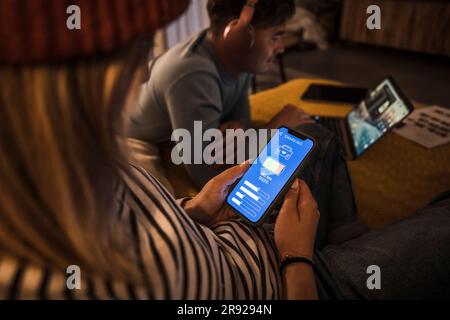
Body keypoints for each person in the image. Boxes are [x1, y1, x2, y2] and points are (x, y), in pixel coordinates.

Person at [1, 0, 449, 301]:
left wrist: (194, 209)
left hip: (238, 232)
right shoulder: (188, 74)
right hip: (289, 279)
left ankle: (343, 228)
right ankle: (339, 247)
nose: (144, 71)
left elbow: (212, 149)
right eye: (137, 49)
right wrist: (297, 259)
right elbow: (199, 155)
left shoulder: (84, 161)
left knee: (312, 137)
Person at [126, 0, 315, 191]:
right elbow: (209, 178)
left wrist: (240, 126)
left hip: (171, 134)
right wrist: (277, 129)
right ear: (237, 35)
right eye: (275, 37)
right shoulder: (193, 75)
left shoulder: (238, 60)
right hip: (132, 136)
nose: (281, 47)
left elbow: (240, 118)